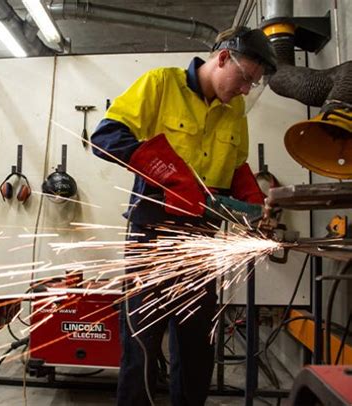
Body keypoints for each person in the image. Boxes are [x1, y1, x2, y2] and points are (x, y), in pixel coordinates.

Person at [91, 26, 277, 406]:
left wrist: (255, 202)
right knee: (142, 341)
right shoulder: (162, 84)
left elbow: (236, 164)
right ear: (222, 58)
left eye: (252, 85)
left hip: (202, 239)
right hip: (153, 234)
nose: (245, 90)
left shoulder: (234, 107)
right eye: (244, 79)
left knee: (197, 344)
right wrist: (170, 175)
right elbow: (107, 136)